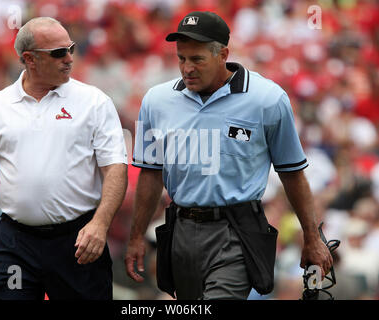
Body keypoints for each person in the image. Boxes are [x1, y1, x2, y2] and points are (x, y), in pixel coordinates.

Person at [125, 11, 333, 300]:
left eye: (197, 59)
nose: (187, 68)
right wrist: (136, 237)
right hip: (180, 228)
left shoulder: (267, 99)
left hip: (236, 230)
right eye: (181, 58)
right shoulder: (155, 102)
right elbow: (149, 172)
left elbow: (291, 172)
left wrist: (311, 237)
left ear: (222, 54)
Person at [0, 17, 128, 300]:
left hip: (78, 241)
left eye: (70, 49)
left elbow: (116, 169)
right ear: (30, 59)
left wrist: (100, 223)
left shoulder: (94, 102)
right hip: (15, 244)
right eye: (59, 53)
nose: (69, 58)